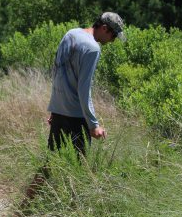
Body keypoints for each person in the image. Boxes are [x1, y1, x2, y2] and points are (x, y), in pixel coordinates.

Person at [47, 12, 125, 154]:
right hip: (76, 116)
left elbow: (57, 72)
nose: (113, 40)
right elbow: (84, 89)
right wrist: (93, 125)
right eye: (113, 35)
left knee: (51, 162)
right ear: (104, 28)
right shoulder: (93, 48)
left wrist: (55, 108)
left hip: (59, 111)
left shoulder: (71, 34)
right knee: (80, 169)